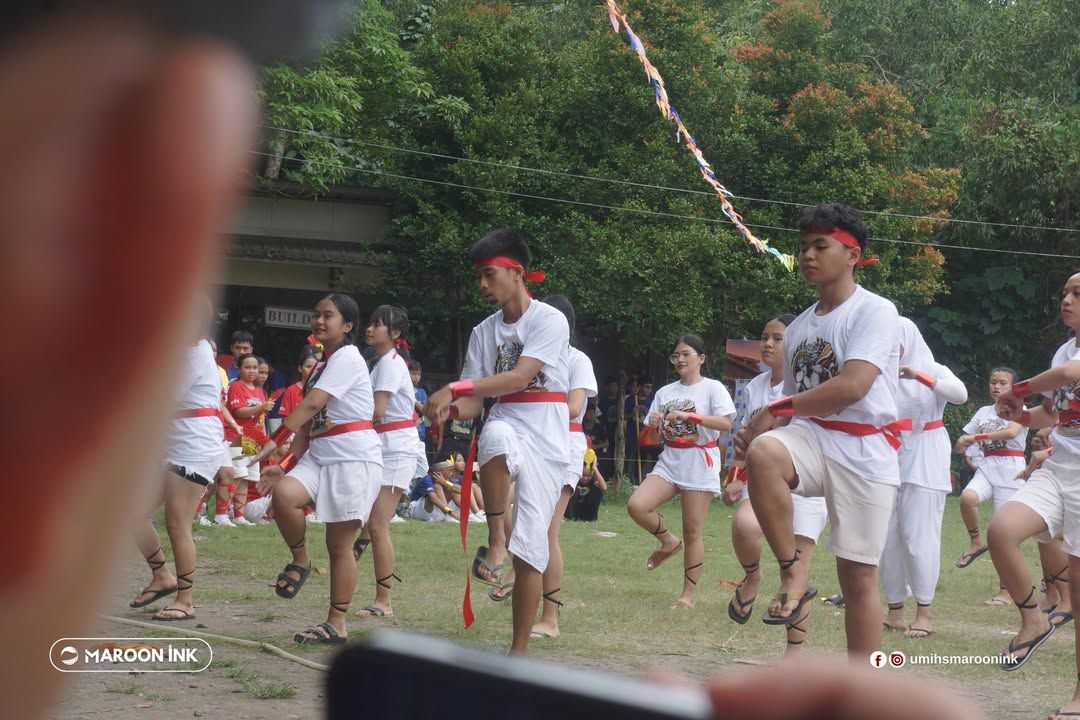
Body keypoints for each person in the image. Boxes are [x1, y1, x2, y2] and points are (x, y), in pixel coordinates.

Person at [740, 203, 902, 658]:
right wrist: (755, 434)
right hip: (812, 436)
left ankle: (860, 688)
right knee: (765, 454)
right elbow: (793, 410)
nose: (807, 255)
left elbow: (852, 386)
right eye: (804, 246)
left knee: (857, 577)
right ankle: (793, 570)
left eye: (820, 245)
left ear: (852, 254)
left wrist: (771, 411)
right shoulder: (797, 328)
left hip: (865, 447)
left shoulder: (876, 311)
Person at [425, 227, 570, 654]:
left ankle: (518, 651)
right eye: (479, 278)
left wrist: (455, 387)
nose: (483, 286)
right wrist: (447, 410)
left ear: (517, 272)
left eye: (490, 275)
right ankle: (496, 541)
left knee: (533, 550)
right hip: (507, 421)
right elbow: (473, 407)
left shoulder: (549, 319)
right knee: (495, 432)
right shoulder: (482, 332)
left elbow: (521, 377)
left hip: (547, 434)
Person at [258, 293, 383, 645]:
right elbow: (310, 424)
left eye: (328, 316)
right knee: (284, 495)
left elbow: (312, 404)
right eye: (316, 315)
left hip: (352, 458)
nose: (319, 321)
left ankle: (336, 622)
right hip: (320, 453)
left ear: (347, 325)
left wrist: (275, 437)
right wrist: (283, 465)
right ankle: (300, 561)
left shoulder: (348, 357)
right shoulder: (321, 366)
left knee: (338, 545)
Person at [987, 272, 1080, 692]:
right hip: (1058, 464)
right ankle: (1033, 618)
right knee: (1001, 531)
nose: (1067, 299)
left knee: (1077, 589)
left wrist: (1016, 390)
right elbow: (1051, 413)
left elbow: (1065, 375)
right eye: (1065, 292)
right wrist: (1020, 416)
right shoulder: (1064, 347)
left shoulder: (1066, 360)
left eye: (1077, 293)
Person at [722, 314, 827, 653]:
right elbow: (746, 438)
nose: (767, 343)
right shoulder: (755, 386)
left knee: (797, 573)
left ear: (794, 344)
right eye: (764, 336)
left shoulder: (811, 382)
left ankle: (793, 654)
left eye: (777, 338)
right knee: (743, 525)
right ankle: (753, 577)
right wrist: (736, 477)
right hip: (765, 483)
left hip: (805, 482)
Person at [626, 335, 735, 610]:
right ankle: (668, 542)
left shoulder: (713, 388)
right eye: (676, 356)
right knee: (637, 505)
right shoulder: (664, 392)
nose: (680, 360)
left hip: (699, 461)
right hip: (670, 459)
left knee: (693, 530)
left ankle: (687, 596)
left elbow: (725, 424)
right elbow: (652, 435)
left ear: (701, 358)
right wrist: (652, 424)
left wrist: (691, 417)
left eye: (686, 354)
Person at [129, 317, 223, 621]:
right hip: (174, 446)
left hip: (194, 446)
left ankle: (185, 600)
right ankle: (162, 576)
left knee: (177, 523)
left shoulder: (198, 351)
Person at [879, 318, 968, 638]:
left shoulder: (934, 368)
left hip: (926, 457)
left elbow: (960, 394)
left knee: (919, 537)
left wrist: (921, 377)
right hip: (889, 455)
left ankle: (925, 612)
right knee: (887, 537)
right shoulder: (879, 374)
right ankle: (895, 611)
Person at [353, 305, 428, 619]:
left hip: (395, 448)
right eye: (370, 323)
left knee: (378, 524)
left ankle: (383, 600)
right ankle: (353, 558)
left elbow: (377, 410)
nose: (370, 329)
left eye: (378, 324)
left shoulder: (388, 364)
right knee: (371, 520)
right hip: (385, 446)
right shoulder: (387, 362)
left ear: (395, 334)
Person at [530, 294, 597, 639]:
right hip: (533, 441)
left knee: (548, 530)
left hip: (565, 445)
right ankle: (512, 570)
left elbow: (574, 408)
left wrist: (532, 404)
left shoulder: (577, 359)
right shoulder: (534, 359)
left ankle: (550, 618)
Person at [953, 367, 1028, 606]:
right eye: (993, 382)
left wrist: (975, 439)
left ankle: (1005, 591)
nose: (996, 386)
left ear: (1013, 387)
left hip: (1011, 471)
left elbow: (1011, 432)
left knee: (1003, 534)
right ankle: (976, 542)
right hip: (987, 467)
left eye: (1002, 383)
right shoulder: (984, 411)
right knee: (967, 498)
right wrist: (963, 448)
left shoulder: (1021, 409)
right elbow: (963, 440)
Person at [222, 353, 273, 525]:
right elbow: (238, 412)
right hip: (238, 438)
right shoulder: (237, 386)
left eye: (255, 368)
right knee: (235, 477)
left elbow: (258, 420)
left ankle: (238, 516)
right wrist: (261, 407)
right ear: (239, 368)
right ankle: (222, 513)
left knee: (245, 478)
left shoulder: (259, 391)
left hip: (252, 440)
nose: (252, 371)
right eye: (248, 367)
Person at [565, 448, 607, 521]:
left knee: (598, 490)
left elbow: (604, 488)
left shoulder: (594, 481)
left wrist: (595, 468)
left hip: (588, 514)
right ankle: (569, 516)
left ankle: (591, 518)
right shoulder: (574, 479)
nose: (586, 478)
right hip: (574, 512)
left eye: (589, 476)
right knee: (570, 490)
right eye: (583, 475)